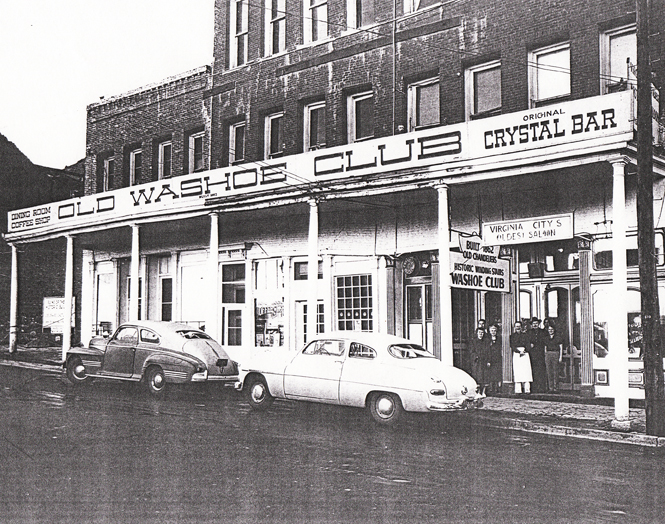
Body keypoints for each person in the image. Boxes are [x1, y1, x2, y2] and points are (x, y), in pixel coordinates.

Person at [510, 320, 532, 394]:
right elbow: (512, 346)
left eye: (519, 326)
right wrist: (518, 351)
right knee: (518, 370)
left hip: (525, 353)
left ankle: (527, 388)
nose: (518, 327)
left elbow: (528, 344)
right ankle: (518, 389)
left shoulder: (525, 335)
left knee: (526, 370)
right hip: (517, 354)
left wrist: (525, 350)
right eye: (516, 326)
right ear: (514, 327)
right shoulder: (512, 336)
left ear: (521, 327)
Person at [527, 317, 547, 393]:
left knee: (541, 370)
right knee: (532, 370)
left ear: (539, 324)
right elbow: (526, 342)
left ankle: (542, 387)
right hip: (532, 354)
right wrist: (529, 345)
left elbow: (545, 342)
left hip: (541, 353)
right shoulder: (529, 332)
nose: (535, 325)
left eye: (536, 323)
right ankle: (533, 387)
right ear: (531, 325)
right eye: (533, 323)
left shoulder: (543, 332)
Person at [468, 327, 490, 393]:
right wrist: (476, 357)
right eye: (479, 333)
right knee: (477, 376)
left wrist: (488, 361)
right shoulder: (473, 341)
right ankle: (477, 392)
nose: (481, 334)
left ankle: (483, 392)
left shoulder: (486, 342)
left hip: (484, 361)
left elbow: (488, 352)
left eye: (482, 333)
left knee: (484, 376)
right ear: (477, 333)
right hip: (477, 361)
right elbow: (471, 351)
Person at [543, 324, 564, 392]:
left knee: (555, 371)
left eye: (551, 330)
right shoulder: (546, 338)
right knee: (549, 372)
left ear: (554, 330)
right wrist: (546, 355)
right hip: (548, 354)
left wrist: (560, 357)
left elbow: (561, 347)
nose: (550, 331)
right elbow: (545, 348)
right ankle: (550, 388)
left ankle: (556, 388)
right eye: (549, 330)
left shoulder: (558, 338)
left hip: (555, 353)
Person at [486, 324, 503, 394]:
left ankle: (497, 388)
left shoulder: (499, 338)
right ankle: (491, 388)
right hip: (490, 358)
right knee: (490, 373)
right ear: (489, 331)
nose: (493, 332)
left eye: (494, 330)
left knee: (497, 373)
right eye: (492, 330)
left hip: (497, 358)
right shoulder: (487, 339)